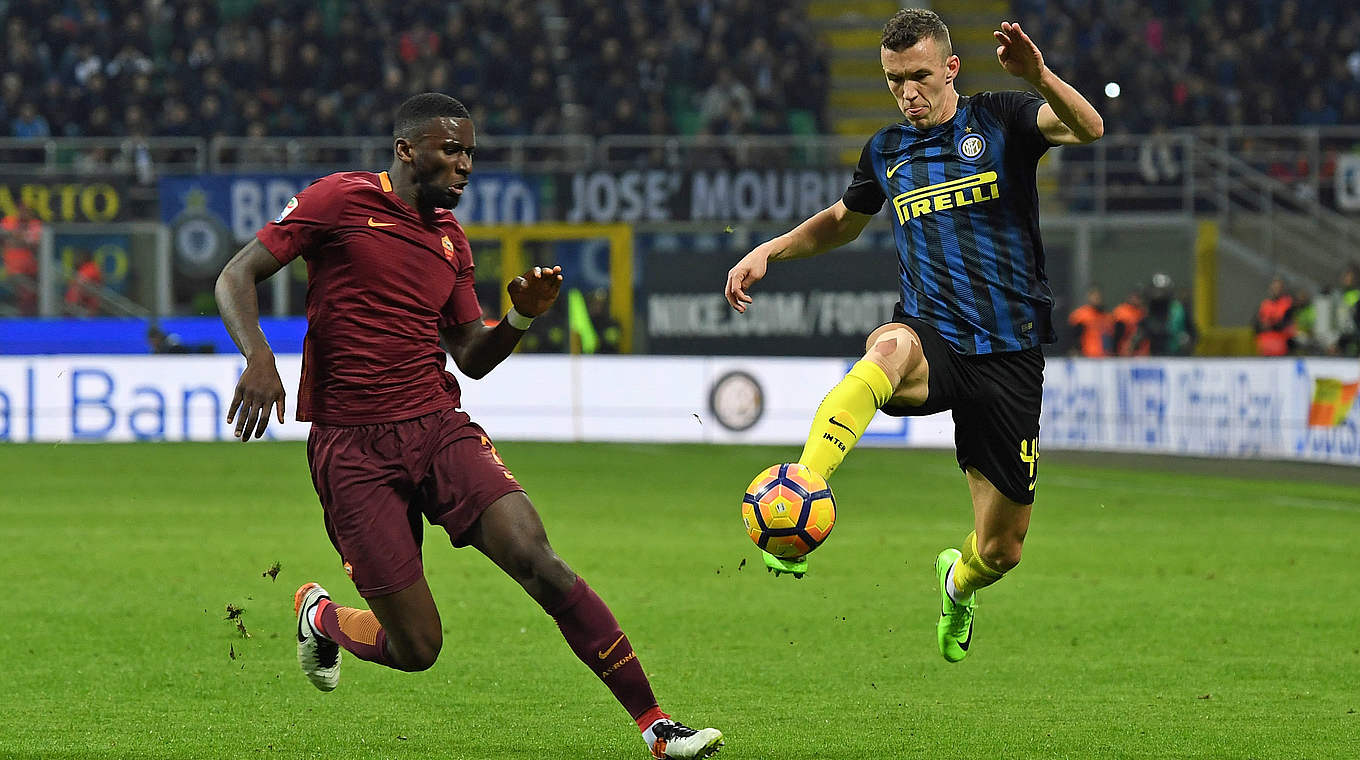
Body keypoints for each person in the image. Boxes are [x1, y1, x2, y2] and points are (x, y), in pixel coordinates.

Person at [214, 93, 723, 760]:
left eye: (470, 153)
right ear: (406, 150)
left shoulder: (451, 239)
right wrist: (258, 355)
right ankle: (322, 616)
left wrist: (518, 318)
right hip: (353, 449)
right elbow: (236, 274)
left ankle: (656, 725)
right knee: (417, 648)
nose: (464, 164)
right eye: (450, 150)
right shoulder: (338, 201)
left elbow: (471, 355)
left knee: (538, 560)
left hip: (437, 427)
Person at [724, 10, 1103, 663]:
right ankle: (804, 488)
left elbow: (1089, 127)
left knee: (1001, 550)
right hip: (935, 338)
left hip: (1009, 354)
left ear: (950, 68)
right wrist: (772, 251)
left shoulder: (1003, 119)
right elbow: (844, 219)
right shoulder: (888, 151)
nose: (908, 93)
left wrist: (1038, 74)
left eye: (920, 77)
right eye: (895, 81)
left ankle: (957, 586)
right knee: (888, 348)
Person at [1253, 276, 1295, 357]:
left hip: (1283, 348)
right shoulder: (1265, 305)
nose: (1276, 290)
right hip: (1266, 348)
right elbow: (1256, 325)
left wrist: (1270, 324)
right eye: (1274, 288)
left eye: (1278, 288)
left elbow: (1286, 323)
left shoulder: (1288, 304)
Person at [1066, 285, 1113, 357]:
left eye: (1098, 296)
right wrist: (1074, 350)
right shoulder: (1081, 316)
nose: (1097, 299)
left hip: (1104, 356)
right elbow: (1072, 336)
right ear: (1089, 297)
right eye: (1094, 296)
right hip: (1087, 356)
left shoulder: (1107, 317)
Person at [1112, 290, 1149, 357]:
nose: (1136, 300)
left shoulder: (1143, 312)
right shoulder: (1122, 311)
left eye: (1139, 298)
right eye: (1135, 297)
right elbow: (1117, 334)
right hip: (1124, 351)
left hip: (1141, 353)